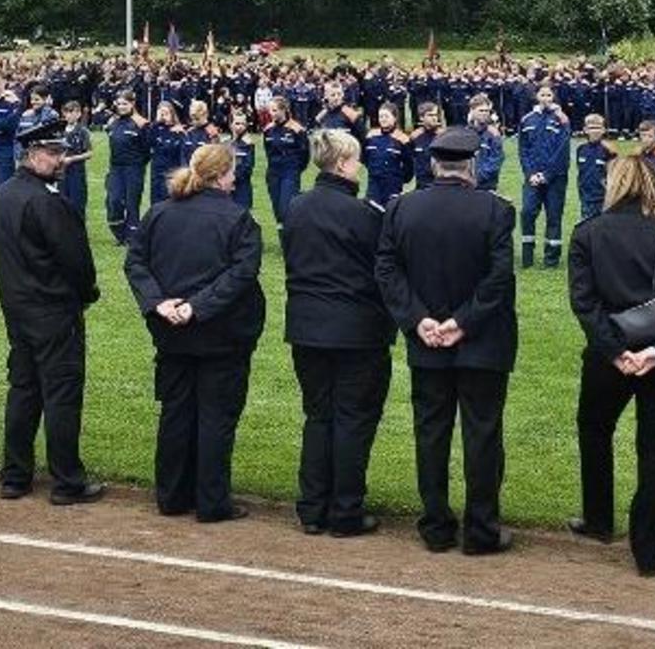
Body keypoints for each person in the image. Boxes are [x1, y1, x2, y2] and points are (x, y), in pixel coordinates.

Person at [376, 126, 518, 555]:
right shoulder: (494, 210)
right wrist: (459, 322)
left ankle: (437, 526)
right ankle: (481, 529)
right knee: (482, 434)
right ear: (471, 166)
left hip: (431, 340)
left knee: (431, 433)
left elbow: (387, 271)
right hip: (481, 342)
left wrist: (419, 319)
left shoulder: (402, 208)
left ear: (434, 164)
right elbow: (498, 278)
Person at [567, 156, 655, 577]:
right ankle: (649, 551)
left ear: (613, 185)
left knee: (594, 429)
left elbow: (585, 303)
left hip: (610, 354)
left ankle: (598, 518)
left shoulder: (588, 233)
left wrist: (616, 352)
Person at [124, 143, 264, 523]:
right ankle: (211, 501)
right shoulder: (237, 219)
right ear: (220, 176)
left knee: (176, 413)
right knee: (215, 417)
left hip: (173, 332)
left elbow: (136, 262)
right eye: (232, 171)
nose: (235, 178)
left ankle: (172, 495)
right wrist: (194, 307)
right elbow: (242, 274)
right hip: (221, 334)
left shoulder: (159, 213)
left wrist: (160, 303)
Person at [281, 128, 393, 537]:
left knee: (318, 415)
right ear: (344, 163)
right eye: (356, 160)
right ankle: (345, 510)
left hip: (307, 326)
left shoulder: (296, 207)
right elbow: (382, 270)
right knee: (352, 419)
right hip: (355, 330)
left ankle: (313, 507)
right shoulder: (365, 215)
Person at [0, 115, 102, 505]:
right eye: (53, 153)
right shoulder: (48, 202)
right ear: (32, 153)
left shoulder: (4, 193)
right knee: (61, 395)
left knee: (23, 391)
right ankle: (67, 480)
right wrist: (86, 293)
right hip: (53, 311)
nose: (61, 160)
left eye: (61, 152)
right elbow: (78, 263)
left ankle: (15, 476)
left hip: (17, 309)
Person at [518, 86, 572, 268]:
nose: (546, 98)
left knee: (554, 216)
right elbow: (523, 150)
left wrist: (546, 174)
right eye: (542, 94)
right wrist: (530, 173)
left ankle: (551, 259)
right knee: (527, 212)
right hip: (532, 177)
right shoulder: (527, 119)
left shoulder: (562, 119)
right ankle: (527, 257)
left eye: (549, 95)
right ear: (536, 96)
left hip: (555, 178)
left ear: (553, 97)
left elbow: (562, 151)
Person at [104, 91, 149, 244]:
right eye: (119, 104)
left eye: (125, 103)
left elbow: (146, 150)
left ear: (132, 104)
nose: (121, 107)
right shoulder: (112, 123)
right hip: (115, 168)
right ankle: (119, 233)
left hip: (134, 168)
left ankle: (132, 236)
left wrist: (138, 164)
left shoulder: (141, 123)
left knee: (132, 203)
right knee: (114, 200)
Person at [262, 98, 308, 228]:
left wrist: (296, 169)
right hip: (273, 171)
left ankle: (294, 231)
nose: (271, 113)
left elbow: (305, 153)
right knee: (277, 208)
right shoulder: (268, 129)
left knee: (286, 207)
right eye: (270, 110)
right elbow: (267, 151)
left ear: (283, 110)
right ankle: (282, 236)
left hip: (290, 171)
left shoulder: (297, 129)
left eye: (274, 110)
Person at [361, 105, 412, 211]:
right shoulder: (371, 136)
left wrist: (399, 179)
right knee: (371, 211)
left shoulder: (403, 139)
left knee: (391, 212)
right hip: (374, 184)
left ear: (395, 118)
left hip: (393, 185)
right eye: (381, 116)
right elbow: (364, 157)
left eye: (386, 116)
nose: (383, 119)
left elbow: (409, 166)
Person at [575, 114, 616, 221]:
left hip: (603, 198)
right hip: (586, 197)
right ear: (585, 130)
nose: (595, 131)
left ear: (603, 130)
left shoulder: (609, 150)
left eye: (598, 128)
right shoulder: (581, 149)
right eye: (592, 128)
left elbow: (615, 174)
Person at [59, 100, 93, 217]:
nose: (69, 115)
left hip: (77, 171)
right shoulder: (60, 130)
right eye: (66, 112)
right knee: (62, 203)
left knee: (77, 203)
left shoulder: (82, 131)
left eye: (72, 112)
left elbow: (89, 153)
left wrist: (72, 159)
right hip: (62, 172)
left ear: (78, 114)